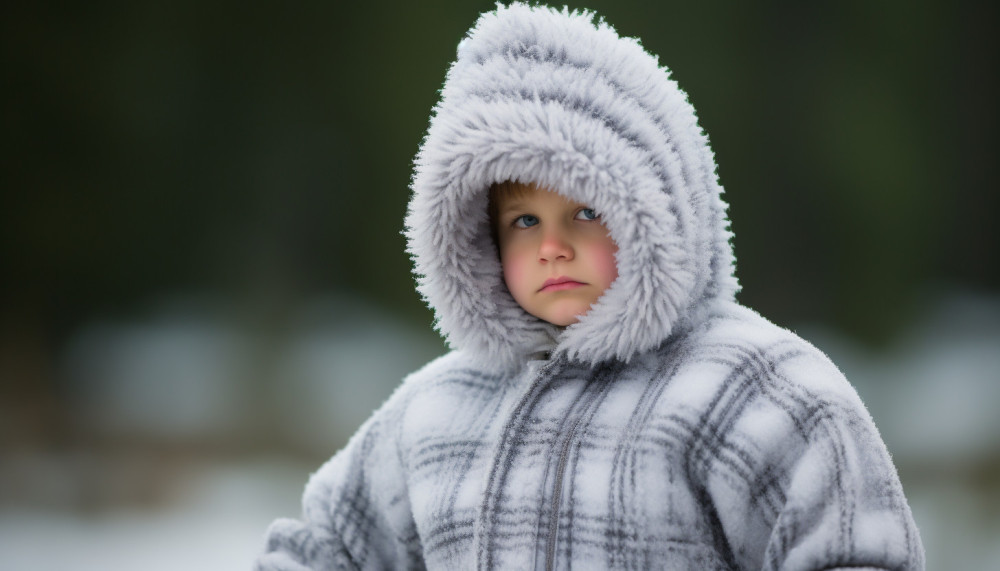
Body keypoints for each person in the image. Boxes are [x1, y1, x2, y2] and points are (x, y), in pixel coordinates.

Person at [256, 3, 924, 569]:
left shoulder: (753, 387)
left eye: (586, 210)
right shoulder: (435, 412)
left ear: (657, 207)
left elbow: (851, 549)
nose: (552, 246)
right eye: (523, 220)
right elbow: (326, 546)